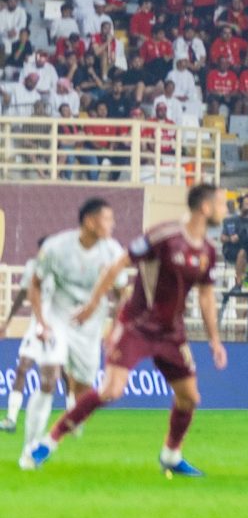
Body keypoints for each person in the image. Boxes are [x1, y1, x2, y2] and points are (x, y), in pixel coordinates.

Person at [26, 182, 230, 478]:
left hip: (171, 333)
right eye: (222, 204)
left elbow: (206, 296)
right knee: (111, 390)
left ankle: (171, 455)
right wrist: (93, 304)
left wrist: (215, 340)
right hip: (136, 326)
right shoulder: (164, 236)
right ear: (206, 207)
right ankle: (48, 442)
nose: (226, 210)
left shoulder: (208, 251)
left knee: (190, 397)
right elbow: (119, 263)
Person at [14, 197, 121, 467]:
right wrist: (41, 322)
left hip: (90, 325)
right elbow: (35, 284)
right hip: (57, 319)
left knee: (84, 392)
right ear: (90, 221)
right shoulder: (56, 247)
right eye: (107, 219)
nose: (113, 224)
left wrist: (116, 329)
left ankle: (72, 412)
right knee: (48, 380)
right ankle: (30, 448)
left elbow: (121, 294)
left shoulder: (112, 251)